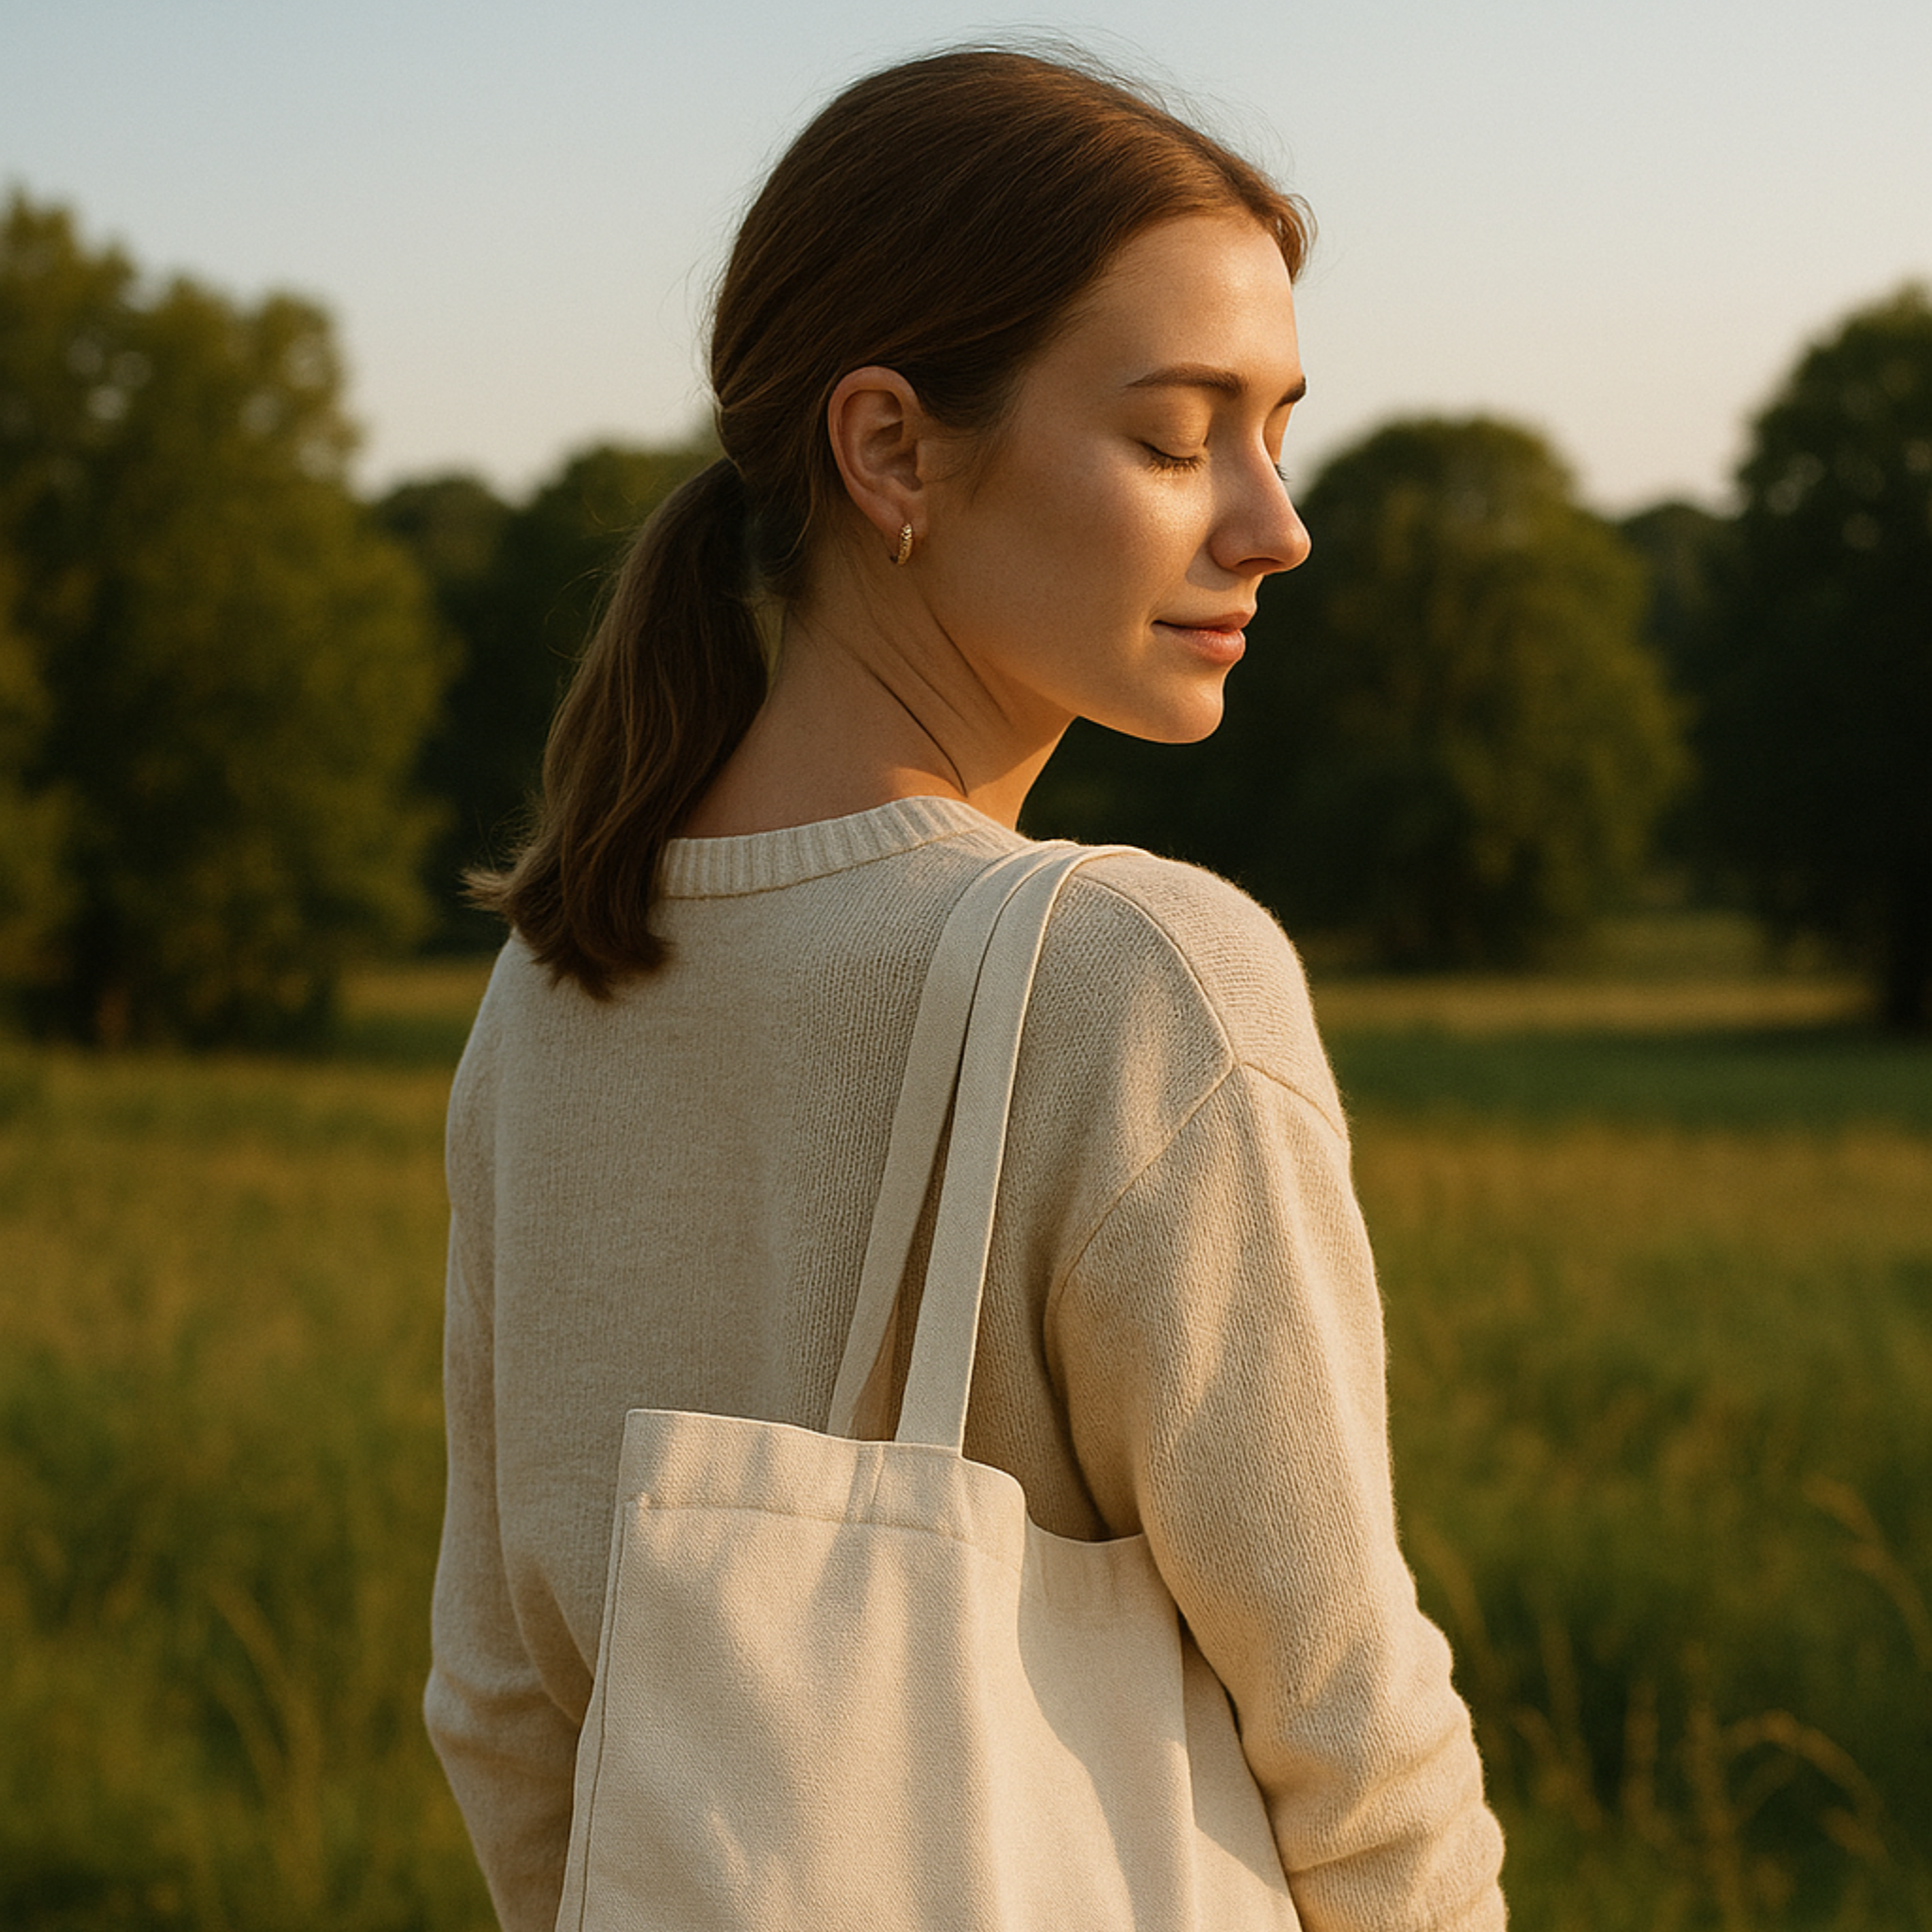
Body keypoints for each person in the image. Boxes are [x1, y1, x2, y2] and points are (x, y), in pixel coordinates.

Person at [426, 43, 1507, 1932]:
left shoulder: (545, 993)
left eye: (1279, 429)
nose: (1274, 522)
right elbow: (1349, 1729)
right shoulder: (1132, 971)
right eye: (1180, 437)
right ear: (892, 451)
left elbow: (507, 1707)